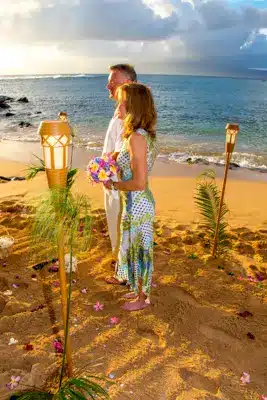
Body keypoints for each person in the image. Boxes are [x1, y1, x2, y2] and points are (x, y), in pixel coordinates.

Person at [104, 83, 158, 311]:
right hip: (135, 202)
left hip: (138, 203)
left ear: (134, 107)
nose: (119, 105)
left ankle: (143, 299)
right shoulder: (138, 136)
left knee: (140, 250)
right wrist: (107, 162)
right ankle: (137, 292)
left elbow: (138, 182)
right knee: (133, 247)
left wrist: (113, 184)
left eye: (123, 101)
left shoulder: (137, 138)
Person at [103, 64, 137, 275]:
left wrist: (105, 169)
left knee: (121, 222)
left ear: (129, 84)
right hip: (110, 178)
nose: (108, 85)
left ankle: (124, 268)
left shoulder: (131, 114)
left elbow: (125, 152)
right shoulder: (121, 110)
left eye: (113, 81)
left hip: (119, 182)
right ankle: (119, 259)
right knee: (113, 219)